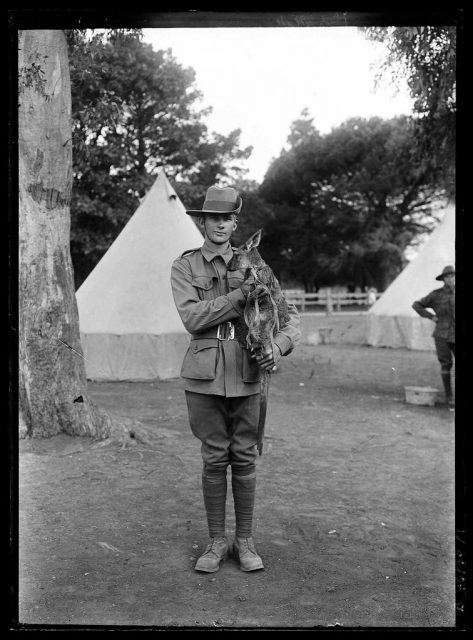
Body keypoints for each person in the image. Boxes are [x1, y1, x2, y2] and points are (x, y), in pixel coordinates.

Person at [170, 185, 301, 573]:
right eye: (214, 218)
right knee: (214, 458)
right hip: (204, 374)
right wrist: (241, 297)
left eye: (228, 218)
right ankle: (216, 541)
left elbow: (290, 317)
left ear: (235, 222)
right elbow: (193, 318)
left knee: (244, 457)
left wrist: (276, 347)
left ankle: (244, 541)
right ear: (203, 222)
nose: (221, 225)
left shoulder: (256, 265)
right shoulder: (185, 266)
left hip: (248, 372)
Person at [412, 265, 455, 407]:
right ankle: (449, 396)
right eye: (448, 276)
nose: (451, 279)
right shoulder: (436, 295)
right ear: (443, 279)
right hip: (441, 335)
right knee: (445, 364)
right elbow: (417, 305)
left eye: (453, 276)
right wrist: (431, 316)